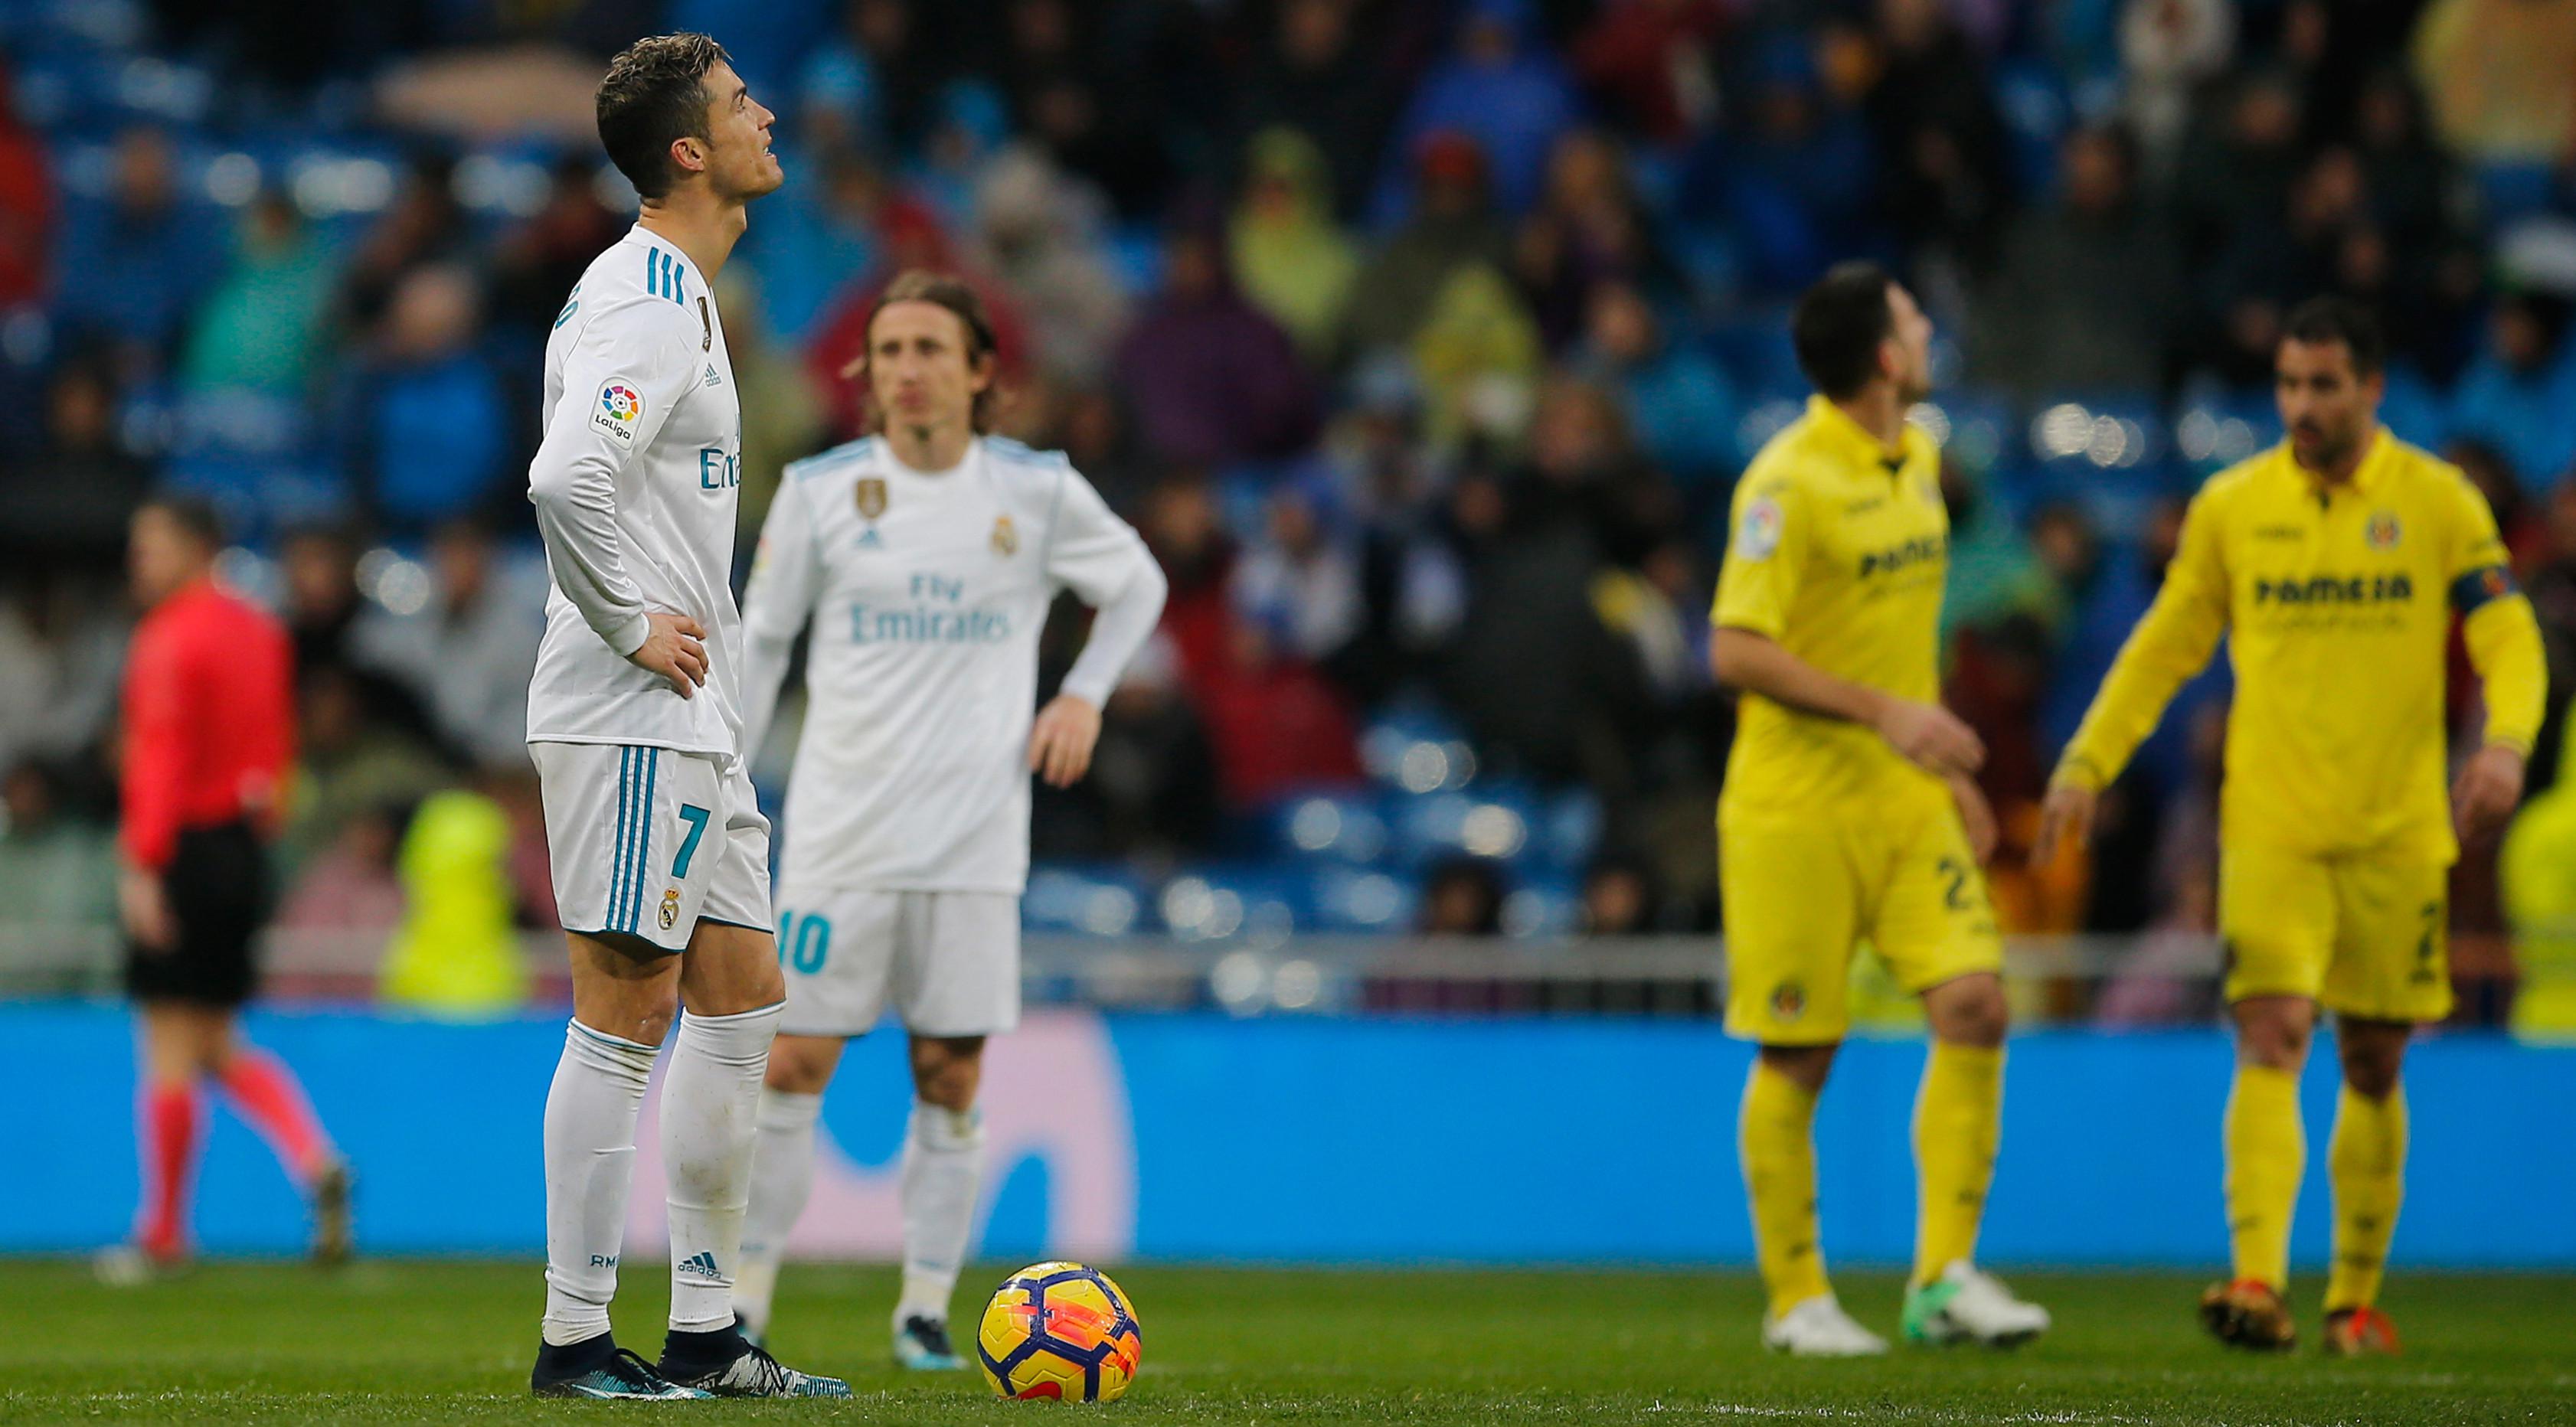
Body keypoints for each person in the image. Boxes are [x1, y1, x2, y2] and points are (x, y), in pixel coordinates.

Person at [2035, 298, 2547, 1356]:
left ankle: (2354, 1300)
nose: (2301, 406)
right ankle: (2257, 1279)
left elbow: (2509, 633)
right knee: (2269, 1036)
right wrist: (2088, 761)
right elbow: (2163, 645)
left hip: (2399, 836)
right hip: (2267, 831)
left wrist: (2506, 745)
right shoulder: (2233, 506)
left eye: (2323, 385)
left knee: (2371, 1061)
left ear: (2372, 389)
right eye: (2288, 384)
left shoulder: (2439, 502)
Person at [728, 271, 1166, 1368]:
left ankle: (923, 1310)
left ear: (981, 373)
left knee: (952, 1074)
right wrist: (727, 771)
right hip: (842, 832)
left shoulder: (1038, 491)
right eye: (887, 351)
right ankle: (743, 1305)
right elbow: (763, 644)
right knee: (793, 1065)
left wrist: (1083, 691)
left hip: (974, 840)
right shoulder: (823, 492)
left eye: (929, 348)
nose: (906, 370)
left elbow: (1138, 584)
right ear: (866, 376)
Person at [520, 33, 844, 1400]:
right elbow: (562, 476)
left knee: (738, 992)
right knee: (624, 1005)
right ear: (689, 151)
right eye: (738, 103)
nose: (767, 113)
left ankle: (707, 1325)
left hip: (685, 711)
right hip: (629, 706)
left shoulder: (690, 295)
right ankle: (576, 1336)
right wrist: (624, 622)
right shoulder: (647, 298)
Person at [1709, 262, 2050, 1357]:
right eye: (1911, 316)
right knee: (1799, 1054)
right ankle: (1798, 1299)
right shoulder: (1786, 481)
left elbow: (1893, 644)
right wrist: (1885, 716)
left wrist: (1942, 764)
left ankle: (1943, 1280)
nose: (1925, 325)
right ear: (1888, 357)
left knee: (1975, 1006)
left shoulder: (1921, 460)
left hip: (1903, 802)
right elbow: (1731, 648)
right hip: (1795, 807)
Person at [105, 495, 350, 1278]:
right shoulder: (260, 630)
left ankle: (166, 1231)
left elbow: (159, 756)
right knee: (213, 1039)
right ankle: (314, 1158)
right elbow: (278, 743)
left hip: (185, 844)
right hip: (244, 847)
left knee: (168, 1039)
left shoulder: (168, 637)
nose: (139, 563)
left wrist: (144, 863)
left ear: (197, 547)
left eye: (151, 547)